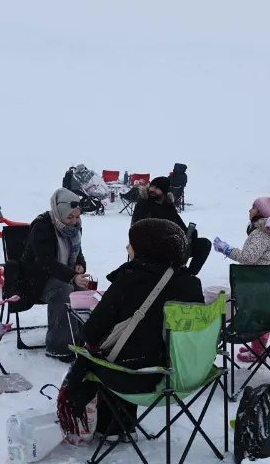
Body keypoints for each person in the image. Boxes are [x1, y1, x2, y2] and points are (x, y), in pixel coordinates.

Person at [57, 219, 204, 439]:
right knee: (138, 347)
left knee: (104, 355)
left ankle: (113, 428)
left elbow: (92, 332)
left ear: (148, 247)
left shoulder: (130, 279)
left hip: (136, 378)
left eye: (132, 243)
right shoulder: (191, 283)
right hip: (183, 374)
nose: (127, 247)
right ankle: (123, 425)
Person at [212, 197, 270, 361]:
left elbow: (248, 258)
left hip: (253, 287)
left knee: (212, 297)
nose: (250, 210)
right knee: (261, 317)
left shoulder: (261, 234)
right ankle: (258, 349)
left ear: (262, 213)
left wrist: (226, 249)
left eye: (253, 207)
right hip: (266, 287)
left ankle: (255, 350)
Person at [19, 189, 89, 361]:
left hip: (63, 275)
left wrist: (80, 265)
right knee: (64, 291)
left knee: (84, 291)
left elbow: (78, 251)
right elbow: (45, 261)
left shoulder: (74, 228)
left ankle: (81, 338)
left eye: (77, 217)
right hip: (37, 280)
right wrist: (72, 276)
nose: (74, 221)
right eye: (70, 217)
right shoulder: (42, 226)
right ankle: (59, 346)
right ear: (60, 211)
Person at [132, 176, 210, 275]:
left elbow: (180, 226)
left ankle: (188, 274)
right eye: (152, 186)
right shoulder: (143, 204)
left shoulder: (168, 206)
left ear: (164, 191)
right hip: (152, 247)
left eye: (157, 188)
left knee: (204, 244)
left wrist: (190, 234)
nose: (152, 190)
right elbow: (137, 228)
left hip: (173, 245)